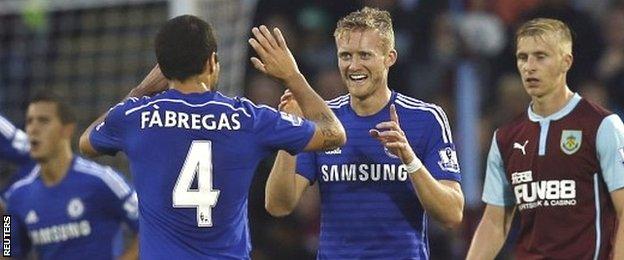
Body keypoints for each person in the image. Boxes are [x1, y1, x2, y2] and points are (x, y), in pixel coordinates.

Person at [79, 15, 346, 259]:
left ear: (162, 67)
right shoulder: (247, 118)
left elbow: (87, 143)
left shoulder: (134, 116)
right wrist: (293, 76)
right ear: (211, 61)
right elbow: (334, 133)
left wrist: (141, 89)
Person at [265, 7, 464, 259]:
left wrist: (409, 159)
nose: (354, 66)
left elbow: (452, 214)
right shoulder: (323, 121)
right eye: (345, 55)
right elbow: (279, 205)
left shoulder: (426, 119)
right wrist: (290, 131)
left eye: (365, 55)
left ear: (389, 57)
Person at [467, 18, 624, 259]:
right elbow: (494, 222)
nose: (529, 66)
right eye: (523, 57)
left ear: (566, 61)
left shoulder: (602, 126)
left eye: (540, 56)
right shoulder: (506, 138)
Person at [4, 91, 139, 260]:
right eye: (29, 121)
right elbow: (7, 249)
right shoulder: (16, 196)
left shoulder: (104, 180)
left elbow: (148, 227)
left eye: (43, 120)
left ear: (66, 130)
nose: (33, 129)